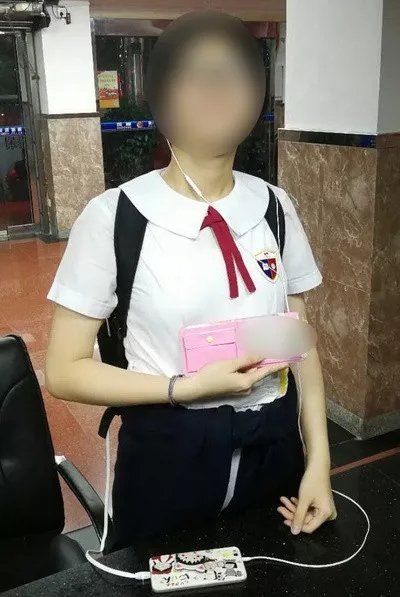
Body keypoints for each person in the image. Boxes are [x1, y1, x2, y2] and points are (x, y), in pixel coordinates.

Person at [46, 10, 336, 550]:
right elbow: (64, 370)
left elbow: (300, 343)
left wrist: (319, 461)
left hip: (274, 449)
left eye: (234, 72)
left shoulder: (275, 207)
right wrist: (186, 388)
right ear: (162, 94)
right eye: (195, 73)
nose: (217, 89)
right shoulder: (116, 216)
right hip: (167, 454)